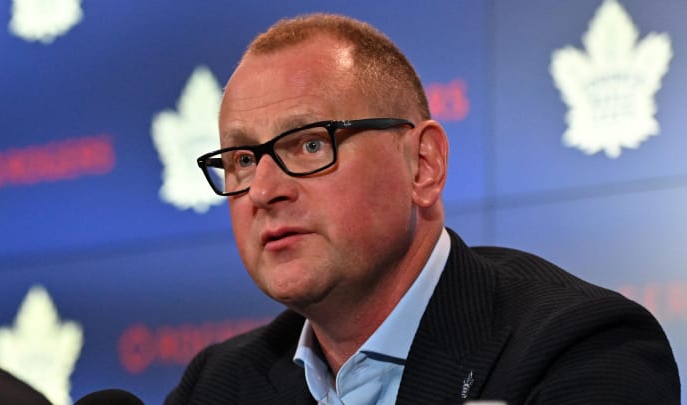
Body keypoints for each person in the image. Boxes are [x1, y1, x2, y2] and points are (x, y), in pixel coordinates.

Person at [165, 13, 680, 404]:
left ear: (422, 166)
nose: (263, 190)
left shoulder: (582, 348)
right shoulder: (216, 385)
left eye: (309, 145)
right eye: (242, 160)